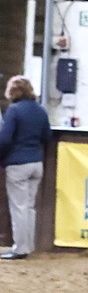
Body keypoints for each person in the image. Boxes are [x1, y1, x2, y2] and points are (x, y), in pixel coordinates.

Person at [0, 76, 51, 259]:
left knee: (19, 207)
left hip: (17, 164)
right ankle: (27, 246)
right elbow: (47, 136)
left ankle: (20, 248)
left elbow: (5, 139)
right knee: (29, 207)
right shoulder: (41, 110)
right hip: (36, 163)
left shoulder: (14, 110)